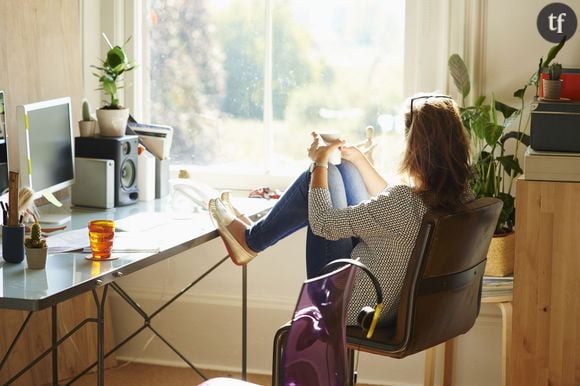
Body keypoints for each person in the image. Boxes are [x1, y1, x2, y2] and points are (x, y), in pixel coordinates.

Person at [208, 94, 473, 328]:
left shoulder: (402, 203)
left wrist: (320, 163)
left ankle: (251, 240)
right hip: (389, 308)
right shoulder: (460, 199)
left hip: (346, 308)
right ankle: (254, 236)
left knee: (319, 175)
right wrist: (358, 159)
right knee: (345, 168)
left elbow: (323, 223)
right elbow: (390, 206)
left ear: (415, 148)